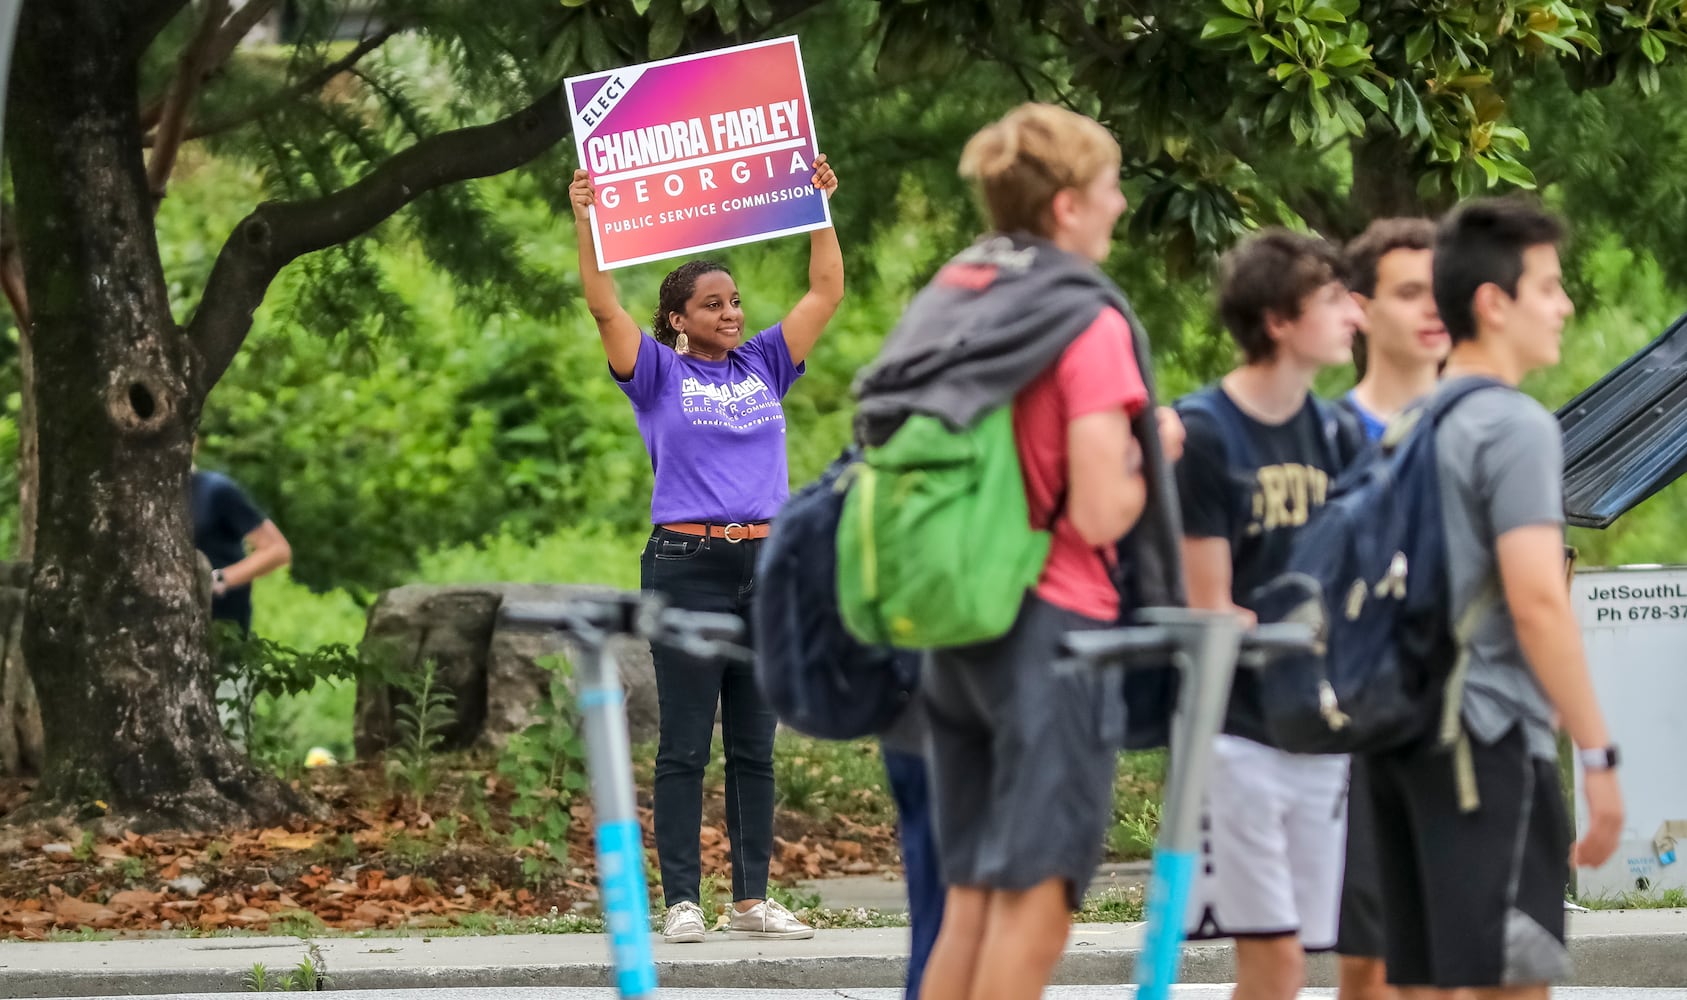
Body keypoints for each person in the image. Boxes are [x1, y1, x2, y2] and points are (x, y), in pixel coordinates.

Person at [868, 103, 1181, 1000]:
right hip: (1052, 631)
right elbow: (1095, 509)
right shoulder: (1085, 319)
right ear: (1069, 206)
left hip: (950, 626)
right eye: (1110, 187)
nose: (1119, 205)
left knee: (968, 893)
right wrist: (1146, 453)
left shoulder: (953, 292)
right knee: (1037, 897)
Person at [568, 156, 841, 944]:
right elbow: (600, 303)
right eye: (711, 304)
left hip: (766, 570)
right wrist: (586, 218)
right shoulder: (653, 372)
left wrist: (819, 205)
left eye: (734, 301)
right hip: (687, 569)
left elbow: (825, 291)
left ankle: (751, 899)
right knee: (686, 744)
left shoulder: (764, 362)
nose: (730, 312)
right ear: (679, 318)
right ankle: (682, 900)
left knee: (755, 746)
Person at [1363, 197, 1623, 998]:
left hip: (1400, 733)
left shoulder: (1411, 421)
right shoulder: (1513, 426)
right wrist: (1596, 755)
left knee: (1424, 982)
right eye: (1547, 286)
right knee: (1509, 982)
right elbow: (1538, 600)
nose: (1564, 305)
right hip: (1484, 737)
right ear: (1492, 302)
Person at [1175, 229, 1366, 1000]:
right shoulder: (1206, 433)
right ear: (1278, 320)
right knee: (1274, 960)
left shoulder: (1339, 433)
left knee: (1326, 953)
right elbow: (1207, 606)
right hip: (1239, 736)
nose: (1351, 313)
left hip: (1324, 727)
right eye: (1330, 299)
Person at [1334, 217, 1448, 1000]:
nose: (1430, 308)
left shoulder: (1491, 427)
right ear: (1359, 308)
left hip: (1468, 732)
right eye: (1408, 292)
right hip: (1359, 734)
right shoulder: (1326, 435)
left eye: (1440, 290)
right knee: (1372, 970)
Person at [190, 456, 292, 635]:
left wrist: (217, 580)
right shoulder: (141, 496)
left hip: (221, 623)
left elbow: (277, 550)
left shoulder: (214, 490)